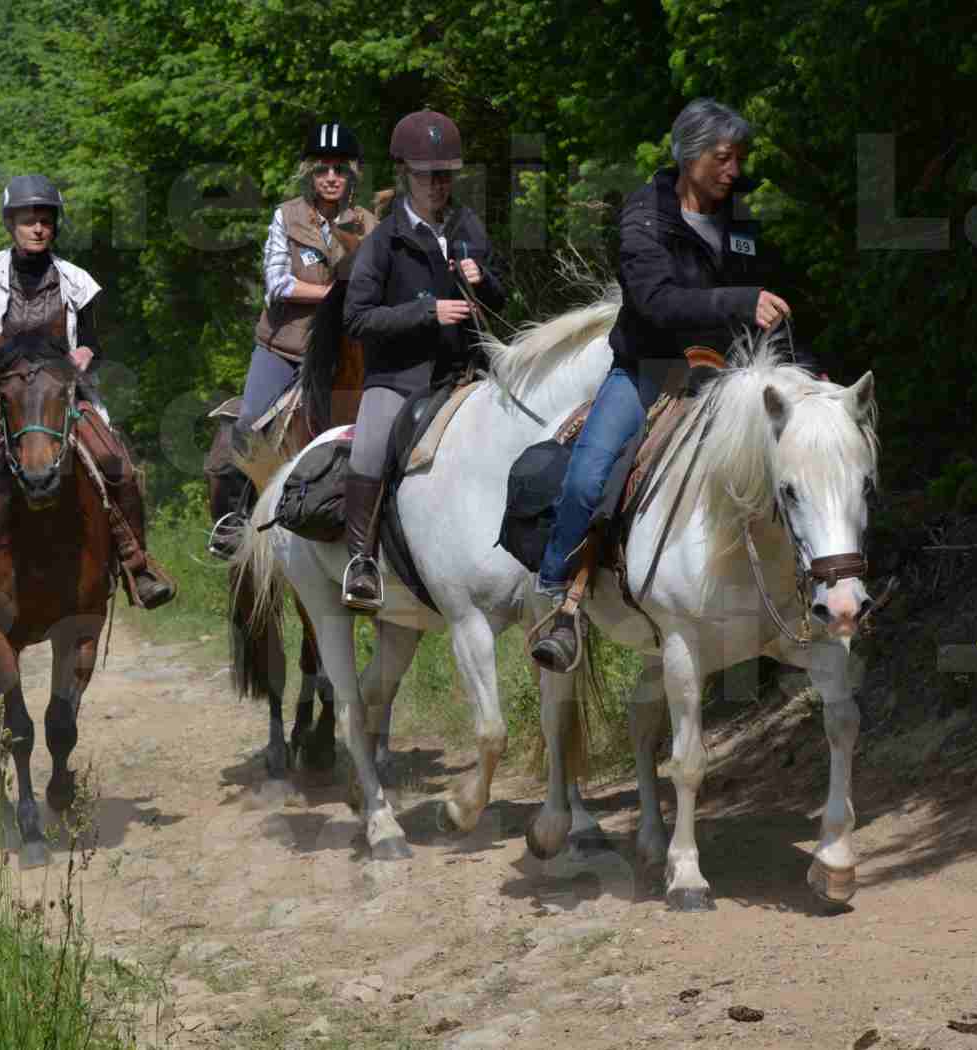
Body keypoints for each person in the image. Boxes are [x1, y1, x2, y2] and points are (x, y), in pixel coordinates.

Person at [529, 98, 794, 671]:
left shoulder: (740, 216)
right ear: (690, 155)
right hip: (649, 370)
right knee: (589, 473)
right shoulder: (644, 214)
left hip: (729, 373)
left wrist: (805, 371)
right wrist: (739, 301)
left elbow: (768, 301)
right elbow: (654, 303)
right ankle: (559, 600)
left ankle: (809, 591)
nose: (733, 169)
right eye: (723, 158)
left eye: (738, 158)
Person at [0, 174, 175, 623]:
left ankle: (136, 565)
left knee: (116, 462)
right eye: (29, 220)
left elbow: (92, 342)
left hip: (60, 396)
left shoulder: (77, 281)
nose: (38, 228)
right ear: (11, 224)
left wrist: (85, 353)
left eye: (46, 220)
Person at [338, 108, 506, 612]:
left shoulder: (468, 225)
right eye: (428, 176)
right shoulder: (384, 241)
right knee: (368, 448)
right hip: (400, 377)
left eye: (446, 175)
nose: (438, 185)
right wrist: (426, 312)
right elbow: (358, 319)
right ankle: (361, 563)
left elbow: (498, 300)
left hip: (468, 373)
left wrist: (484, 280)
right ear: (405, 175)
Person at [208, 121, 379, 559]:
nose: (331, 177)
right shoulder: (285, 216)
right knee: (247, 425)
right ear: (309, 172)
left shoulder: (369, 225)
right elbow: (278, 283)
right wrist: (334, 296)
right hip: (284, 349)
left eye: (339, 169)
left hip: (347, 354)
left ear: (352, 175)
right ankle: (236, 519)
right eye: (322, 168)